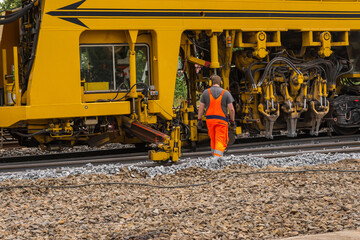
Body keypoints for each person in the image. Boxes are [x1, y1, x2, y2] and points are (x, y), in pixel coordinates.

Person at [197, 74, 236, 159]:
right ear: (220, 82)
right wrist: (232, 121)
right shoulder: (226, 93)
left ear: (210, 82)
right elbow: (231, 109)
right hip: (221, 121)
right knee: (220, 140)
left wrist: (199, 120)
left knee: (213, 139)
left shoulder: (206, 92)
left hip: (210, 121)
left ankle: (214, 156)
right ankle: (217, 159)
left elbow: (201, 108)